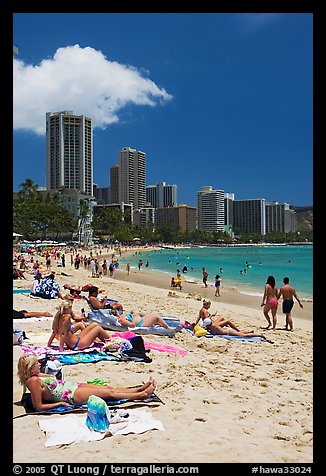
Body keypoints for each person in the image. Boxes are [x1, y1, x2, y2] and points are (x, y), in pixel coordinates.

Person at [17, 353, 156, 411]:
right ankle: (141, 395)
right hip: (71, 395)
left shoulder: (37, 375)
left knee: (108, 388)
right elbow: (38, 406)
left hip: (71, 386)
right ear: (30, 370)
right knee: (109, 393)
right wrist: (59, 403)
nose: (39, 365)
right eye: (36, 364)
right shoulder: (33, 381)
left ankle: (137, 389)